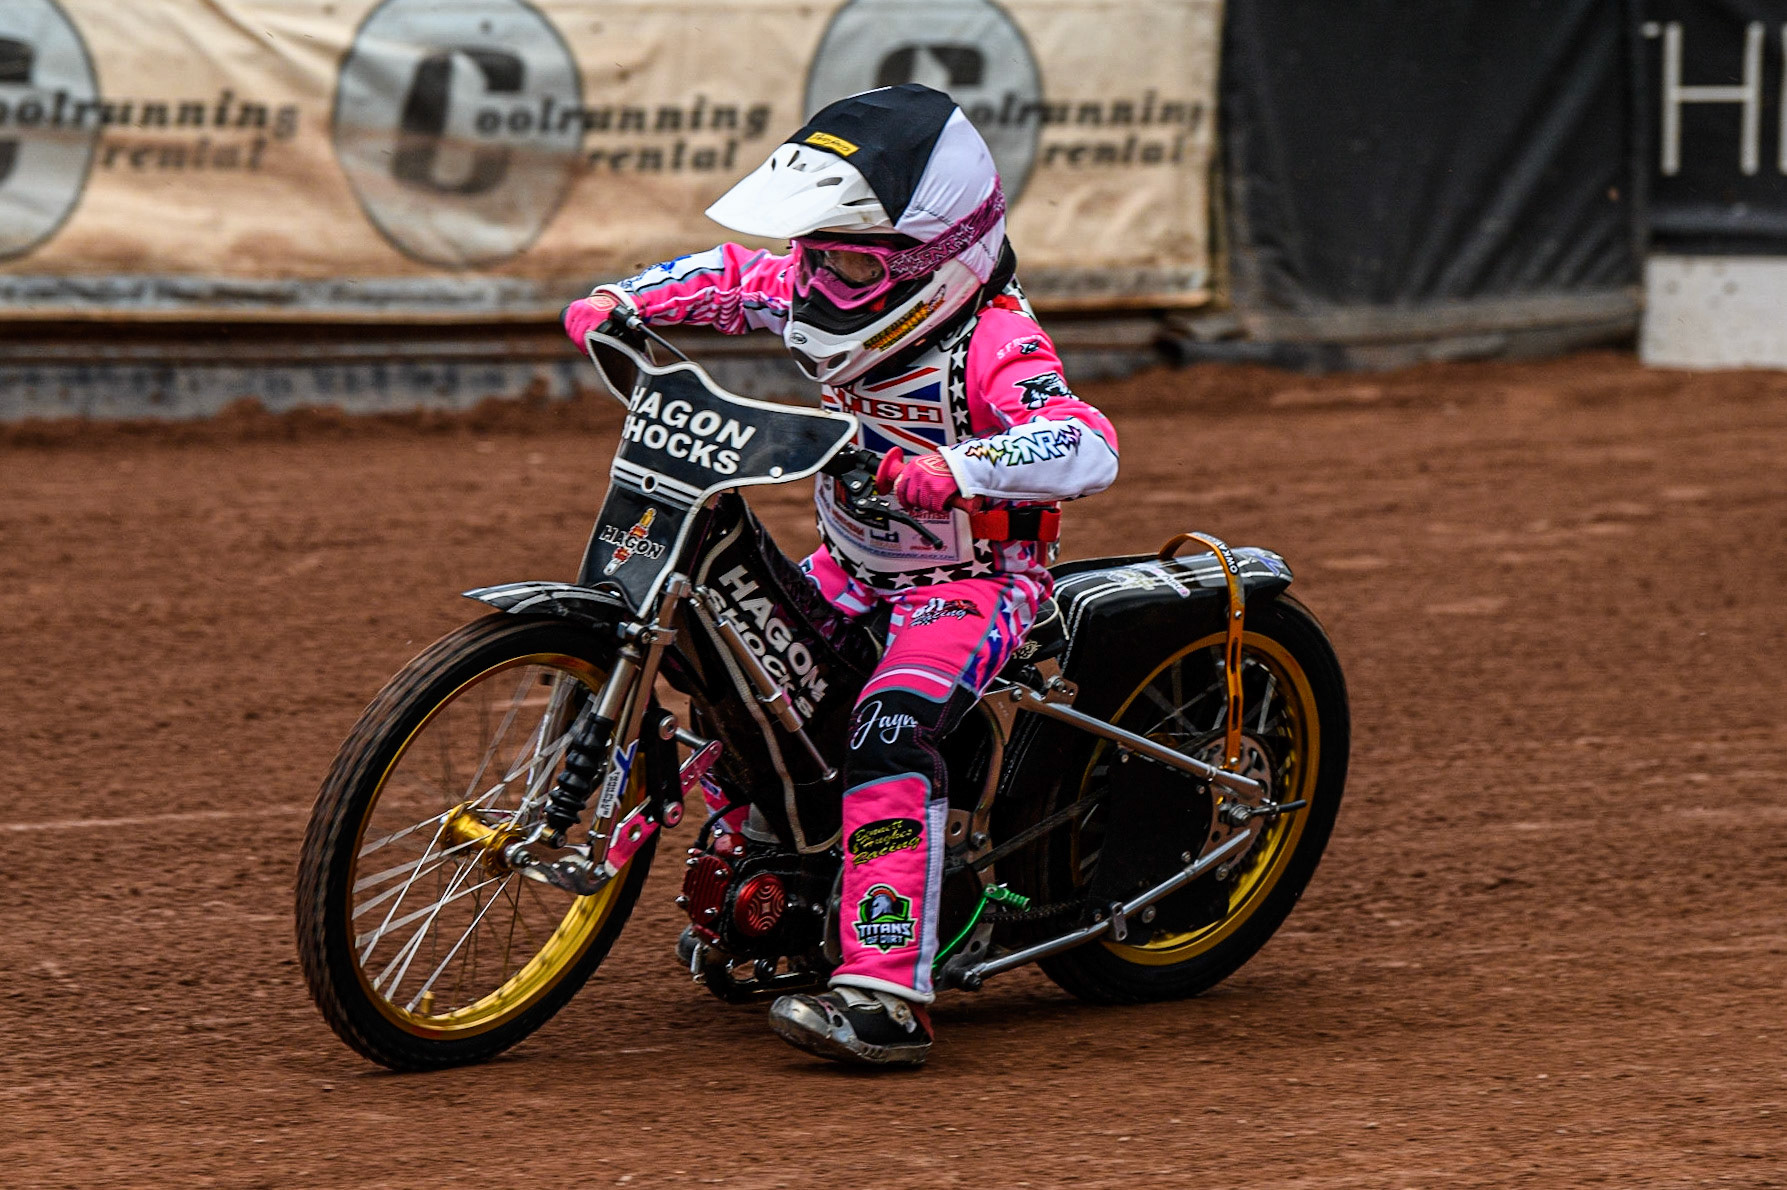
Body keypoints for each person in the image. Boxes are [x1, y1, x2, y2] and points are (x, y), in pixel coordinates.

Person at [562, 83, 1119, 1067]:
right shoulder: (820, 279)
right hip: (854, 568)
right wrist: (625, 300)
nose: (820, 276)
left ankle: (885, 989)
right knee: (739, 676)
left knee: (887, 728)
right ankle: (767, 890)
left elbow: (1083, 440)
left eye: (851, 259)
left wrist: (958, 468)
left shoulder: (994, 339)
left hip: (972, 583)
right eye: (817, 252)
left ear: (934, 257)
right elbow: (737, 275)